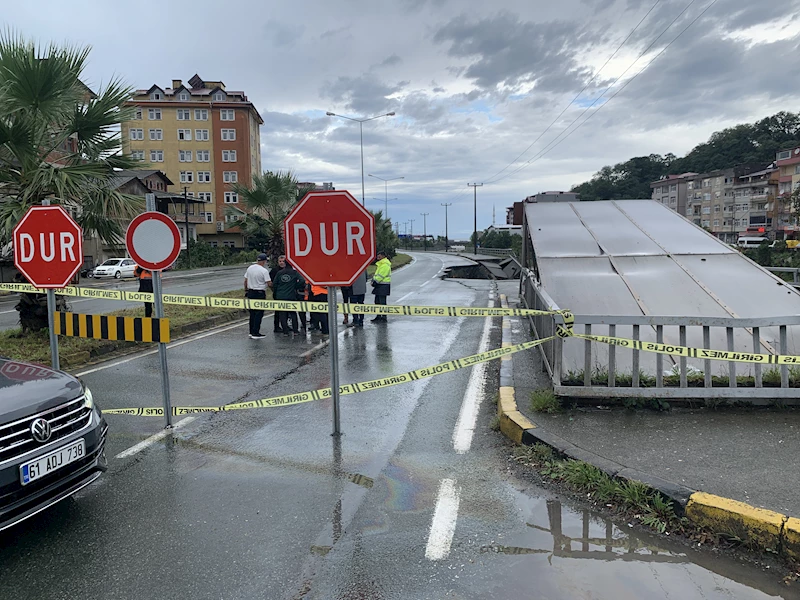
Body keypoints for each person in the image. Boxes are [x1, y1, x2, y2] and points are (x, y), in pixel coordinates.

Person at [272, 259, 305, 335]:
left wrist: (277, 292)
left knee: (282, 314)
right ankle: (295, 331)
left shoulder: (279, 273)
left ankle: (285, 332)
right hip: (291, 295)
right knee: (293, 313)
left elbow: (275, 284)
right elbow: (302, 280)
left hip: (280, 296)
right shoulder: (294, 273)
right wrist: (295, 286)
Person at [244, 253, 271, 339]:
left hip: (251, 292)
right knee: (259, 313)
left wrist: (246, 290)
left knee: (252, 313)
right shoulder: (264, 271)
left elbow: (245, 281)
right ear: (264, 261)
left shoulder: (250, 268)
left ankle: (251, 332)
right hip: (259, 293)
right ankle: (256, 332)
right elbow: (269, 283)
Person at [371, 250, 391, 323]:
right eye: (377, 255)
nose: (377, 257)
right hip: (380, 285)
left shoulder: (385, 264)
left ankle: (383, 317)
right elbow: (377, 274)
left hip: (383, 285)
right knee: (377, 301)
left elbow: (381, 275)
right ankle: (378, 316)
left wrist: (375, 282)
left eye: (379, 255)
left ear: (383, 256)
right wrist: (373, 280)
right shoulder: (380, 264)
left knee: (382, 302)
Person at [269, 255, 286, 333]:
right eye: (280, 261)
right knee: (278, 311)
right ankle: (276, 327)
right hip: (277, 293)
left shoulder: (289, 270)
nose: (282, 263)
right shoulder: (274, 271)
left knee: (287, 310)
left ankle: (285, 325)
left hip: (287, 293)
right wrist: (274, 290)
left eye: (283, 261)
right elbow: (270, 283)